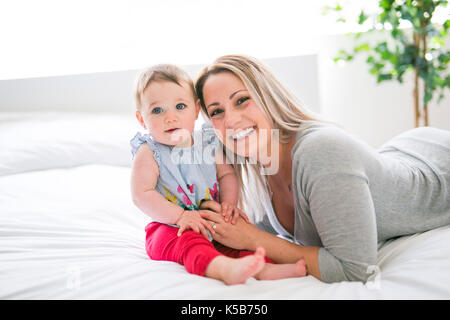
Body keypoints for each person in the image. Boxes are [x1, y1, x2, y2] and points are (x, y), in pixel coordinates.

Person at [194, 54, 450, 283]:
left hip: (439, 163)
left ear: (267, 97)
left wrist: (254, 240)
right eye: (217, 112)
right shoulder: (256, 165)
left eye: (241, 100)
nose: (231, 120)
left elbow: (355, 270)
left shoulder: (321, 151)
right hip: (398, 151)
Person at [130, 64, 307, 285]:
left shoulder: (208, 143)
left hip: (211, 219)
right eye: (157, 110)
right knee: (190, 244)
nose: (170, 117)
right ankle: (222, 268)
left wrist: (229, 205)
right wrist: (180, 216)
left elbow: (226, 175)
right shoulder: (149, 152)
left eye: (180, 106)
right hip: (171, 227)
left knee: (237, 240)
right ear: (141, 118)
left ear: (196, 110)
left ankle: (264, 268)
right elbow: (141, 194)